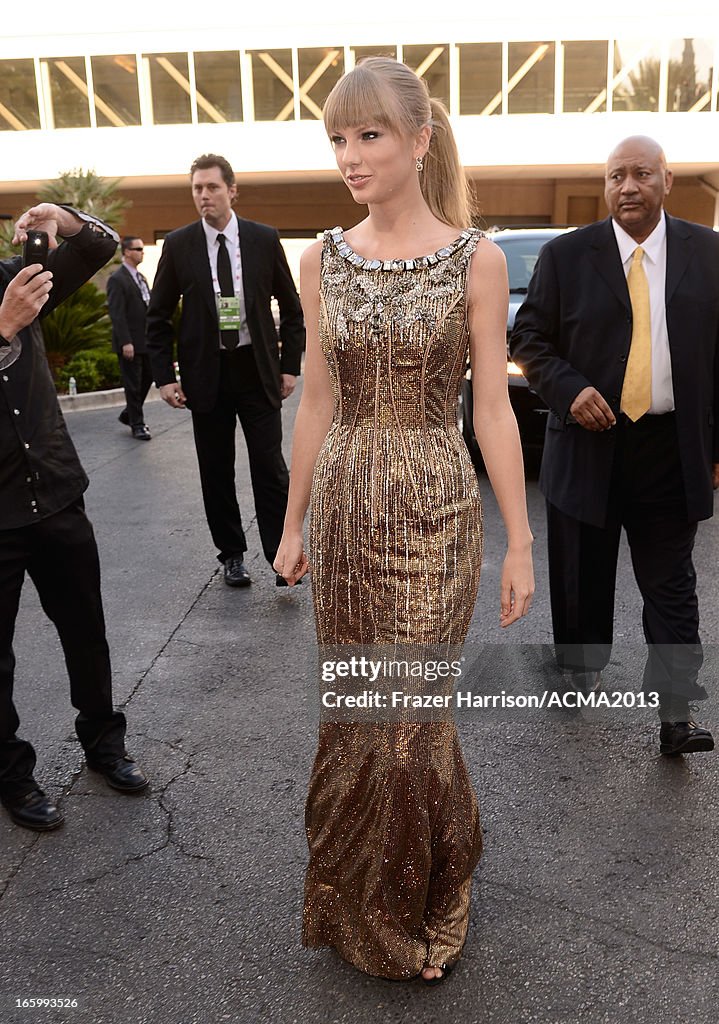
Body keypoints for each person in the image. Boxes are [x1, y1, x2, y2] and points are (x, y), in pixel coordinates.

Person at [273, 58, 534, 983]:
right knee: (357, 715)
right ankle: (361, 907)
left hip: (433, 506)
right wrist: (294, 521)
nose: (349, 154)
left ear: (420, 140)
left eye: (368, 134)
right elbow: (314, 400)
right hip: (345, 502)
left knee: (410, 719)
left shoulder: (480, 258)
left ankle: (424, 888)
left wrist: (520, 542)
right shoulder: (320, 259)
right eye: (337, 138)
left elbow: (492, 410)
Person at [510, 135, 719, 756]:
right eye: (616, 176)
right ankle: (580, 670)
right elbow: (529, 339)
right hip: (586, 446)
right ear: (606, 187)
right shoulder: (566, 256)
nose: (628, 186)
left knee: (671, 585)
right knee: (582, 578)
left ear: (667, 181)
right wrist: (569, 391)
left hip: (669, 449)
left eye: (641, 174)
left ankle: (677, 714)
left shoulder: (708, 255)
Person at [0, 203, 149, 832]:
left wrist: (63, 217)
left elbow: (100, 247)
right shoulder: (10, 303)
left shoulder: (15, 278)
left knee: (85, 629)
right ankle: (11, 775)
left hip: (56, 492)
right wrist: (2, 328)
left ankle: (103, 742)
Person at [146, 154, 305, 587]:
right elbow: (157, 317)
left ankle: (281, 556)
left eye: (212, 187)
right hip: (206, 376)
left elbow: (292, 310)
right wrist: (164, 377)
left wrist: (290, 367)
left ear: (231, 191)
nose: (204, 196)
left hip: (257, 373)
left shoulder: (262, 239)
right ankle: (232, 555)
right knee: (215, 471)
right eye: (197, 188)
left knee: (270, 468)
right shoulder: (179, 246)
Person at [107, 235, 153, 440]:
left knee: (148, 378)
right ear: (126, 252)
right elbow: (117, 313)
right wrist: (126, 341)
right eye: (138, 249)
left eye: (142, 249)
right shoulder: (117, 279)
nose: (142, 252)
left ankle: (128, 414)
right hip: (130, 342)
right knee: (133, 384)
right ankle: (138, 424)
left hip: (146, 341)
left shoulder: (141, 278)